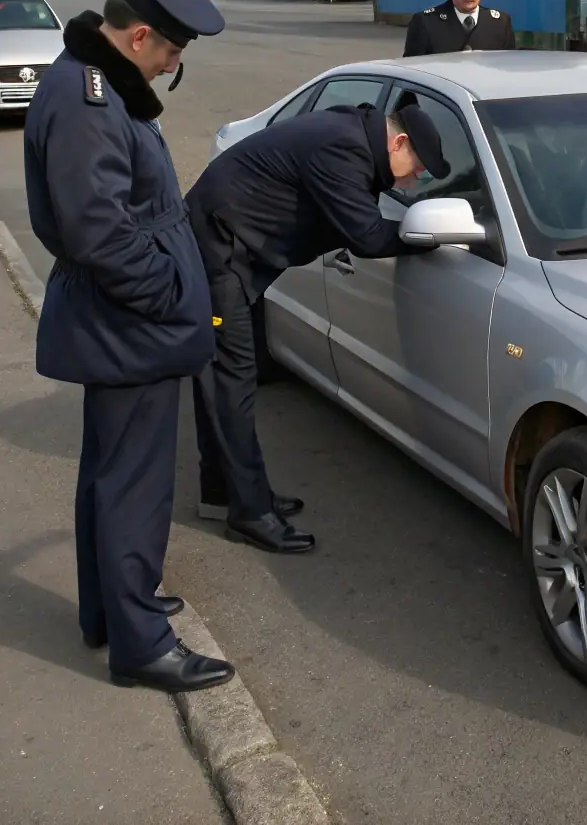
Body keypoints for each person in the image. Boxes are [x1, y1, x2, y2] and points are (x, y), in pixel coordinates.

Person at [23, 0, 233, 694]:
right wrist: (166, 297)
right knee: (134, 486)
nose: (172, 67)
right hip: (129, 326)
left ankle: (111, 609)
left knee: (108, 477)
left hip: (123, 324)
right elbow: (97, 232)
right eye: (171, 51)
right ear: (139, 35)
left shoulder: (99, 84)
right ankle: (141, 641)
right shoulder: (88, 100)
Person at [186, 100, 450, 553]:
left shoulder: (352, 137)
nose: (412, 181)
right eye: (416, 168)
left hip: (231, 249)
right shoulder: (343, 149)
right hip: (218, 254)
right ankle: (249, 513)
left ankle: (224, 491)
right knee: (231, 383)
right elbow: (365, 237)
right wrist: (428, 238)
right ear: (399, 142)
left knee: (227, 380)